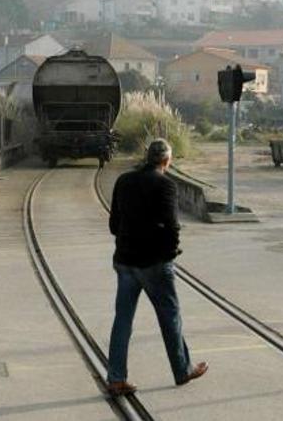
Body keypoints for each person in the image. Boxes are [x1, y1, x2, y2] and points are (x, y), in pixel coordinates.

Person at [106, 138, 208, 396]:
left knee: (123, 319)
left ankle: (116, 378)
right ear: (166, 161)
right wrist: (170, 253)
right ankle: (182, 369)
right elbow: (172, 227)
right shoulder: (166, 185)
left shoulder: (124, 181)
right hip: (153, 263)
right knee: (169, 315)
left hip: (125, 261)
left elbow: (113, 225)